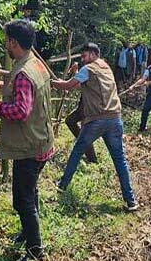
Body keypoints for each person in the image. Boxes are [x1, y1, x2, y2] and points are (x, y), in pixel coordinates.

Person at [0, 19, 54, 261]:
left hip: (29, 145)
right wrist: (6, 88)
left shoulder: (24, 72)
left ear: (14, 42)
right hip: (42, 141)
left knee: (22, 199)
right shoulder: (36, 64)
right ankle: (28, 232)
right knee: (30, 191)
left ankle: (35, 250)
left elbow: (21, 111)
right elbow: (26, 92)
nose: (6, 46)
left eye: (7, 42)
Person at [51, 43, 139, 211]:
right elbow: (79, 84)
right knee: (120, 160)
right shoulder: (106, 67)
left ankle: (62, 185)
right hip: (115, 119)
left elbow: (69, 86)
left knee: (77, 151)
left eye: (84, 56)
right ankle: (131, 201)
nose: (83, 60)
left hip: (97, 120)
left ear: (92, 54)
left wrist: (53, 82)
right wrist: (72, 76)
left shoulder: (89, 68)